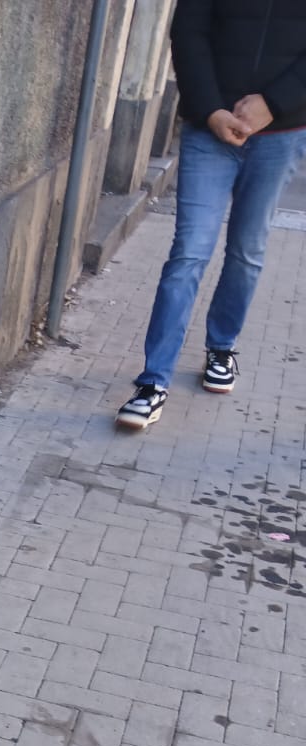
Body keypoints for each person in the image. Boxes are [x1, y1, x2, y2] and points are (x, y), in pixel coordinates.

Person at [117, 0, 306, 430]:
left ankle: (222, 347)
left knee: (247, 250)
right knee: (190, 251)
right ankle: (153, 381)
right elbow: (189, 31)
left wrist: (272, 104)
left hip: (281, 133)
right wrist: (210, 109)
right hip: (209, 128)